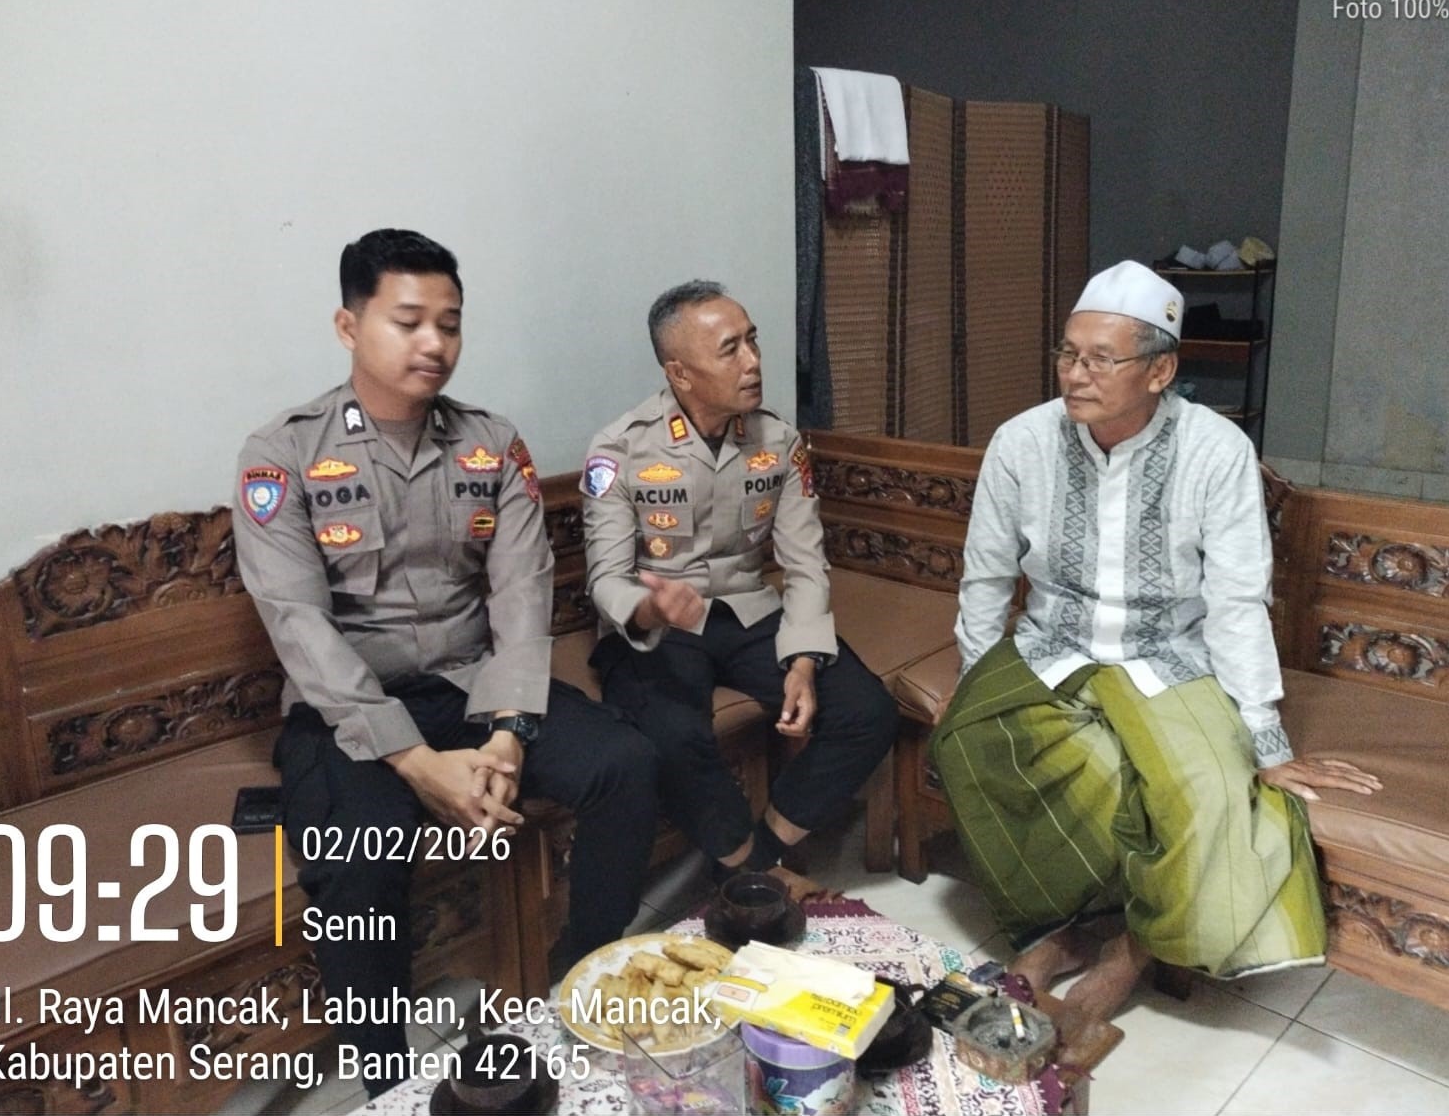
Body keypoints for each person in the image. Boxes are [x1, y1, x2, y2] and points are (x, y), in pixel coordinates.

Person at [233, 229, 658, 1093]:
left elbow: (521, 593)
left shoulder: (491, 443)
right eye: (409, 320)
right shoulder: (282, 453)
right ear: (349, 326)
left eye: (450, 323)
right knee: (355, 857)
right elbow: (298, 625)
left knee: (626, 762)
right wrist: (416, 762)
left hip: (475, 687)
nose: (434, 342)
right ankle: (387, 1083)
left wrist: (506, 734)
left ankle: (576, 985)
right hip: (352, 708)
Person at [933, 260, 1380, 1021]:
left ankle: (1132, 948)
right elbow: (985, 576)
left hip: (1165, 653)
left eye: (1100, 359)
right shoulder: (1021, 441)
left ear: (1160, 370)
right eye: (1068, 354)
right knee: (968, 744)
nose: (1075, 375)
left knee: (1210, 788)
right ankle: (1058, 932)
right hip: (1050, 644)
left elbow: (1236, 600)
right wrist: (977, 680)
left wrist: (1266, 738)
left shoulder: (1215, 450)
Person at [579, 280, 898, 875]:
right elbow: (606, 577)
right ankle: (751, 868)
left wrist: (803, 660)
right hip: (658, 625)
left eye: (753, 341)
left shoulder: (777, 439)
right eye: (730, 349)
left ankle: (762, 857)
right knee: (671, 737)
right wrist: (651, 610)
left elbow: (805, 561)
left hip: (748, 610)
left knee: (867, 711)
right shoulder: (622, 448)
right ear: (680, 373)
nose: (753, 361)